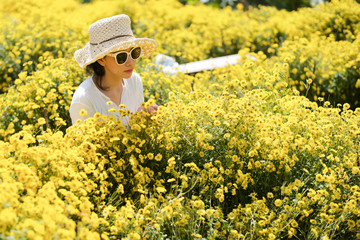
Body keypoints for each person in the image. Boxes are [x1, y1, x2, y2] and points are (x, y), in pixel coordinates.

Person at [70, 14, 158, 126]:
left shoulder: (135, 81)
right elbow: (81, 142)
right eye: (121, 56)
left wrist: (145, 118)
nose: (131, 62)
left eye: (134, 52)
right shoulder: (84, 99)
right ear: (101, 60)